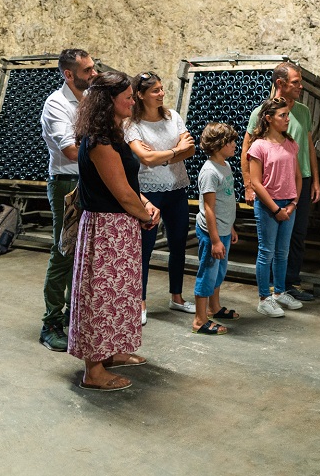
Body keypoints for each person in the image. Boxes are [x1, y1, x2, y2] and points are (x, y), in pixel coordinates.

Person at [69, 71, 161, 391]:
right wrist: (145, 215)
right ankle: (94, 371)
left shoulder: (114, 134)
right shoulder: (100, 141)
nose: (132, 101)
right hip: (106, 229)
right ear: (109, 101)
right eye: (127, 97)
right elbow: (121, 194)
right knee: (100, 297)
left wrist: (145, 205)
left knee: (119, 294)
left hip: (120, 227)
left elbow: (129, 185)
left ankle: (111, 352)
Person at [241, 62, 320, 302]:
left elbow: (308, 147)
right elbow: (248, 148)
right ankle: (271, 290)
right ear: (280, 84)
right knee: (270, 242)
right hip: (272, 184)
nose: (301, 86)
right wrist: (248, 185)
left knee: (296, 234)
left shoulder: (303, 112)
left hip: (299, 179)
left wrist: (315, 180)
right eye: (296, 82)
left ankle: (288, 284)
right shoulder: (261, 112)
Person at [124, 72, 197, 324]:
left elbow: (191, 149)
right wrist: (176, 151)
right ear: (140, 95)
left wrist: (163, 156)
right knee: (144, 249)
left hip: (177, 189)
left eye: (162, 88)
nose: (161, 93)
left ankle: (176, 297)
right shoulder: (132, 125)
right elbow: (145, 159)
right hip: (149, 193)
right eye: (155, 90)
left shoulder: (172, 116)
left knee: (179, 244)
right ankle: (140, 302)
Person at [38, 48, 98, 352]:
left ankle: (76, 316)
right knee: (64, 250)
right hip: (67, 184)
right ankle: (50, 323)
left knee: (85, 253)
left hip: (90, 180)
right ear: (69, 74)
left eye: (92, 68)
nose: (94, 73)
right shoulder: (57, 104)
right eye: (87, 70)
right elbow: (71, 151)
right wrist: (104, 156)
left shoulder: (90, 100)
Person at [247, 97, 304, 317]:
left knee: (282, 252)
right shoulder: (259, 146)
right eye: (283, 115)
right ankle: (264, 298)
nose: (287, 119)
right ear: (269, 119)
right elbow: (256, 183)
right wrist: (275, 209)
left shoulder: (290, 144)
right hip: (268, 206)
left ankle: (279, 293)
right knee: (266, 252)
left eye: (287, 115)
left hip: (288, 205)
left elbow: (297, 177)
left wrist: (292, 204)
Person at [191, 123, 241, 335]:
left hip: (222, 231)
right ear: (220, 145)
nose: (235, 146)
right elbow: (209, 208)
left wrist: (229, 228)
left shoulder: (225, 166)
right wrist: (214, 240)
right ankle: (199, 320)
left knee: (218, 272)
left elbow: (226, 201)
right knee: (207, 274)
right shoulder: (209, 172)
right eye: (231, 142)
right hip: (212, 234)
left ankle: (214, 307)